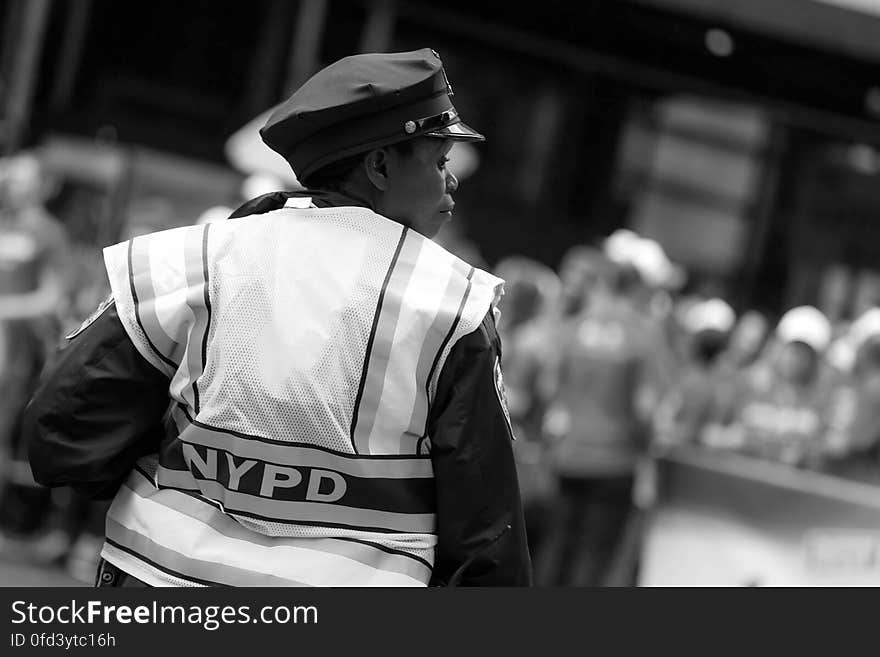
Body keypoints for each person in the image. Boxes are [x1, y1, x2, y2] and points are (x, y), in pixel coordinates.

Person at [24, 49, 531, 587]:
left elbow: (61, 434)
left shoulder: (194, 257)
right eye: (440, 162)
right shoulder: (457, 304)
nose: (451, 183)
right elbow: (487, 544)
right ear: (379, 166)